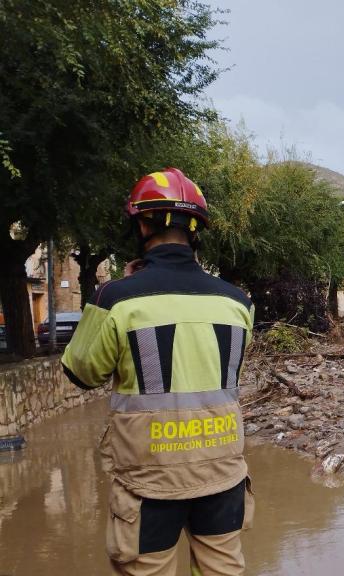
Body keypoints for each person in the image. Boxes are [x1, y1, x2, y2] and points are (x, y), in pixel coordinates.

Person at [61, 168, 255, 575]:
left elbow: (81, 372)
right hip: (222, 474)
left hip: (149, 482)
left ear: (143, 223)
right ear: (196, 230)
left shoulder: (116, 299)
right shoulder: (238, 303)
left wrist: (119, 295)